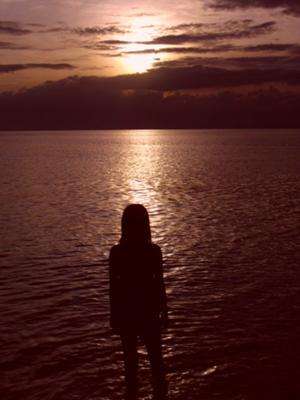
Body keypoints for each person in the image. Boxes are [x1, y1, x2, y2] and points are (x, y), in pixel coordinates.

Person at [109, 204, 168, 400]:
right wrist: (164, 312)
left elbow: (114, 290)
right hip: (149, 310)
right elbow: (160, 285)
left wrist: (114, 316)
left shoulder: (117, 253)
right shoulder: (153, 251)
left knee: (131, 365)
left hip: (127, 311)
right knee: (156, 363)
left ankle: (133, 395)